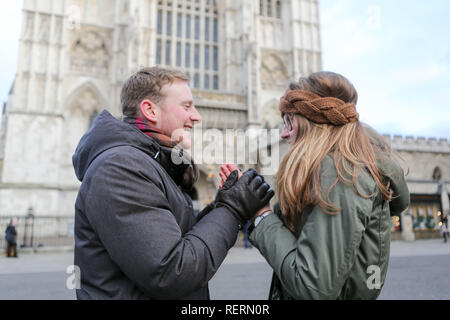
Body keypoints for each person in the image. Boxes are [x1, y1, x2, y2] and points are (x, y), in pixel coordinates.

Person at [72, 66, 273, 299]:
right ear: (150, 110)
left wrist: (220, 206)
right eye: (187, 106)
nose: (197, 116)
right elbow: (172, 272)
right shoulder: (120, 168)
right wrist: (233, 208)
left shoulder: (150, 163)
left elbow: (174, 240)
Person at [220, 71, 410, 299]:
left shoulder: (340, 174)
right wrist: (253, 205)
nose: (283, 134)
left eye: (289, 120)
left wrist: (262, 216)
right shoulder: (337, 170)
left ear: (313, 123)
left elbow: (313, 287)